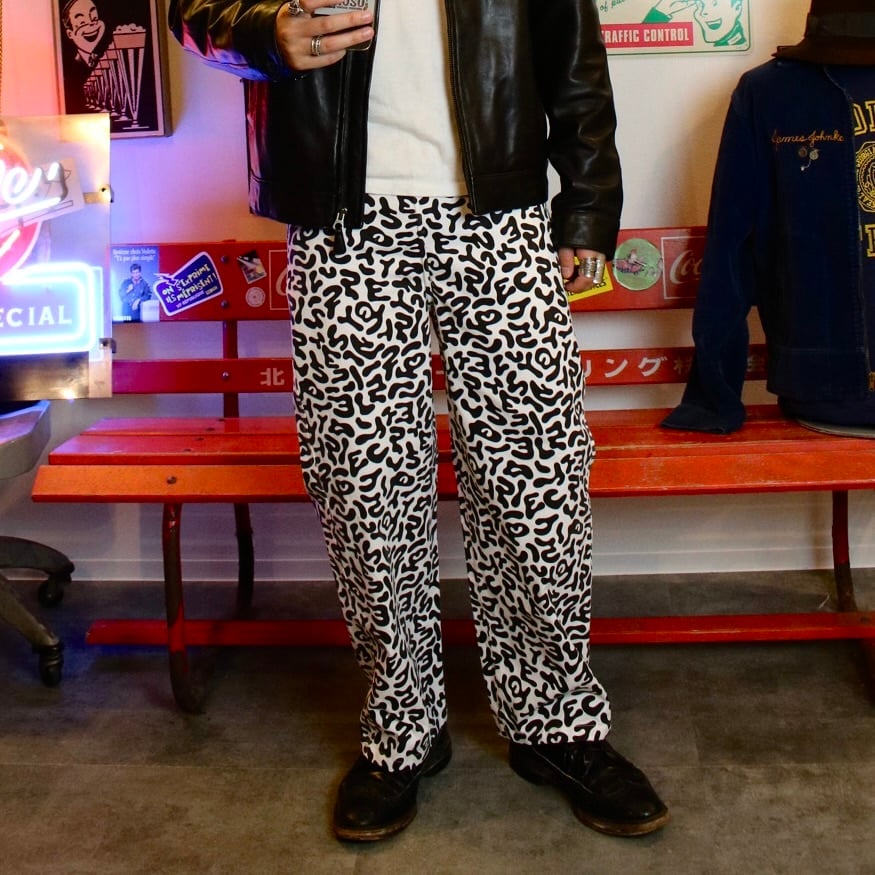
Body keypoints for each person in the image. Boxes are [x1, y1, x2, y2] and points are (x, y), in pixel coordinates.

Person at [170, 0, 669, 842]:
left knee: (536, 484)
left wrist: (587, 206)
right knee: (365, 488)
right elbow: (194, 11)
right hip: (342, 223)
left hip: (500, 216)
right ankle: (401, 729)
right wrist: (260, 31)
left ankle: (555, 724)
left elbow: (574, 59)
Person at [663, 0, 875, 435]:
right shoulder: (770, 94)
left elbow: (730, 249)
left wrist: (713, 402)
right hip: (824, 393)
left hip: (819, 389)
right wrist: (714, 396)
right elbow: (729, 248)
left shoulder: (767, 92)